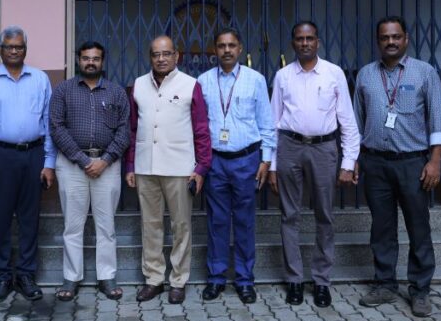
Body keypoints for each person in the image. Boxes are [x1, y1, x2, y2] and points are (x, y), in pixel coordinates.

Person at [349, 16, 441, 318]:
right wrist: (354, 159)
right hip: (375, 163)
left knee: (418, 227)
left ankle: (420, 290)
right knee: (381, 227)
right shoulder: (366, 75)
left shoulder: (425, 73)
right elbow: (356, 122)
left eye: (396, 36)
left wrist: (435, 161)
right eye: (384, 37)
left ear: (406, 39)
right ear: (378, 41)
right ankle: (384, 284)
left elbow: (438, 119)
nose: (390, 42)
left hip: (413, 164)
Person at [269, 21, 360, 308]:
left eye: (309, 38)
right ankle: (294, 279)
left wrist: (348, 162)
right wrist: (272, 165)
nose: (305, 43)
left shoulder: (334, 73)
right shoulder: (283, 76)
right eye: (299, 39)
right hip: (290, 147)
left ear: (317, 42)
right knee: (289, 215)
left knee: (325, 215)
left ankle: (321, 281)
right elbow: (273, 122)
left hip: (324, 148)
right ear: (293, 43)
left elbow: (347, 121)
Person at [0, 25, 56, 303]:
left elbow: (49, 123)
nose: (14, 51)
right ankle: (3, 276)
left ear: (25, 49)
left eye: (19, 46)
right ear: (0, 50)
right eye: (9, 47)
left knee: (30, 218)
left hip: (33, 155)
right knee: (1, 218)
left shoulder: (40, 79)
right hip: (0, 156)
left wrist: (49, 162)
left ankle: (26, 275)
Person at [125, 35, 212, 304]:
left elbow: (201, 129)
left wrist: (201, 168)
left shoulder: (190, 85)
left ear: (177, 56)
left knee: (181, 225)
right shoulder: (139, 85)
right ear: (150, 57)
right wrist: (130, 165)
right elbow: (132, 129)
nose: (161, 59)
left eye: (166, 54)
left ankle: (178, 280)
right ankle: (153, 279)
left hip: (179, 168)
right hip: (146, 167)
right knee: (150, 224)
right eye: (156, 54)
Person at [196, 28, 275, 304]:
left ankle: (244, 280)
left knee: (244, 221)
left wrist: (266, 160)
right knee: (217, 221)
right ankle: (216, 278)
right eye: (221, 46)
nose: (227, 50)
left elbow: (267, 123)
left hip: (246, 160)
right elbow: (198, 125)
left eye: (231, 45)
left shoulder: (255, 80)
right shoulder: (204, 81)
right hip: (215, 161)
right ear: (215, 50)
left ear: (240, 48)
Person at [49, 41, 131, 301]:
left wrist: (104, 160)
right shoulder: (63, 90)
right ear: (78, 60)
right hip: (72, 165)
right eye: (86, 58)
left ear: (102, 61)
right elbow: (56, 127)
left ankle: (107, 277)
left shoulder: (117, 92)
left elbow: (124, 131)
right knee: (73, 225)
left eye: (95, 58)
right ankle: (71, 278)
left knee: (106, 226)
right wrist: (83, 160)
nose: (91, 62)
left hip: (107, 165)